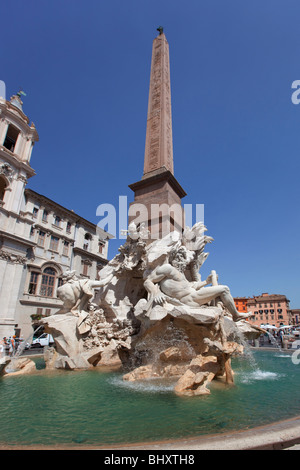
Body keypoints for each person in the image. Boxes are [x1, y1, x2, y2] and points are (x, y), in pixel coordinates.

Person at [144, 247, 249, 322]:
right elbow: (148, 281)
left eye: (183, 257)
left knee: (222, 290)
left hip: (194, 296)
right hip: (189, 299)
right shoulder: (167, 268)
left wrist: (206, 282)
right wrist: (155, 293)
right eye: (179, 256)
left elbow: (190, 287)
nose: (182, 260)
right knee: (224, 289)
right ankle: (236, 315)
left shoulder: (181, 275)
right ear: (173, 257)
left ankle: (234, 314)